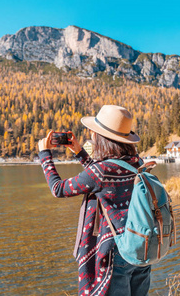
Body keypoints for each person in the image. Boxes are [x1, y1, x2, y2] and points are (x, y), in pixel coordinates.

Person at [37, 105, 151, 296]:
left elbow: (58, 189)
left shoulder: (101, 171)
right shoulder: (138, 163)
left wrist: (44, 155)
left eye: (95, 132)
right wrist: (80, 152)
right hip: (141, 245)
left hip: (117, 253)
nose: (93, 135)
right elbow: (103, 178)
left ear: (102, 138)